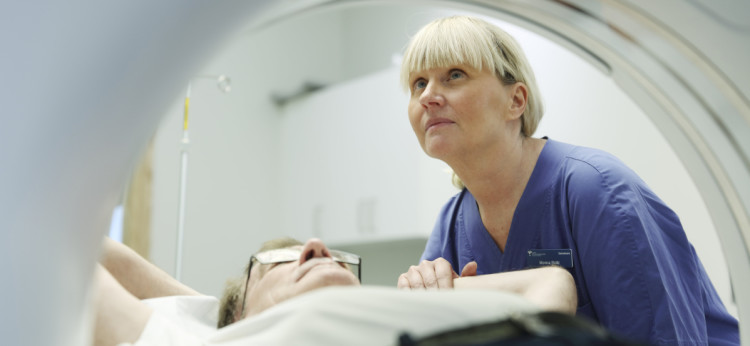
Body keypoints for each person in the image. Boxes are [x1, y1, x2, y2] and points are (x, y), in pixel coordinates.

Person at [395, 15, 739, 346]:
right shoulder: (451, 223)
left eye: (454, 75)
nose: (428, 96)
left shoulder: (597, 189)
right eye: (418, 84)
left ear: (516, 101)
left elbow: (661, 337)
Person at [94, 236, 598, 345]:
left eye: (338, 260)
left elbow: (551, 283)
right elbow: (84, 251)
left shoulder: (399, 319)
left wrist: (430, 294)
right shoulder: (192, 339)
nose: (316, 247)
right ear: (240, 313)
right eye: (278, 261)